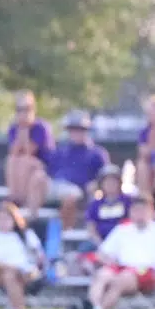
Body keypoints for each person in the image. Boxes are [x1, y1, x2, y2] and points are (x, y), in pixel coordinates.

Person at [75, 195, 155, 309]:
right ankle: (92, 308)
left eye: (143, 210)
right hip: (121, 267)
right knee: (102, 275)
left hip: (148, 272)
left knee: (122, 278)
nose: (139, 214)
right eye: (136, 210)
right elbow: (103, 254)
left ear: (152, 212)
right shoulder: (122, 230)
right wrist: (107, 261)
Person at [43, 110, 111, 266]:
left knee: (71, 195)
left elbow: (106, 177)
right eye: (73, 129)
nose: (76, 133)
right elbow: (49, 173)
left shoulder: (97, 153)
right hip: (56, 189)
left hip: (82, 193)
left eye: (80, 129)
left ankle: (64, 234)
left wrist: (95, 185)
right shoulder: (59, 151)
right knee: (38, 179)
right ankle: (25, 218)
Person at [3, 91, 53, 214]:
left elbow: (29, 150)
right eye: (19, 110)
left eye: (27, 109)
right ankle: (14, 198)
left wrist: (25, 130)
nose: (23, 113)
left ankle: (20, 201)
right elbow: (14, 152)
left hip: (44, 167)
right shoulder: (14, 128)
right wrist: (20, 128)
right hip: (22, 167)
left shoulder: (41, 127)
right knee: (11, 160)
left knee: (25, 161)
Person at [84, 169, 131, 243]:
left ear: (119, 183)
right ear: (101, 184)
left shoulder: (128, 201)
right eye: (107, 182)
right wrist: (100, 244)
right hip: (100, 241)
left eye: (113, 182)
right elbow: (91, 227)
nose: (110, 184)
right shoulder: (95, 205)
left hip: (124, 241)